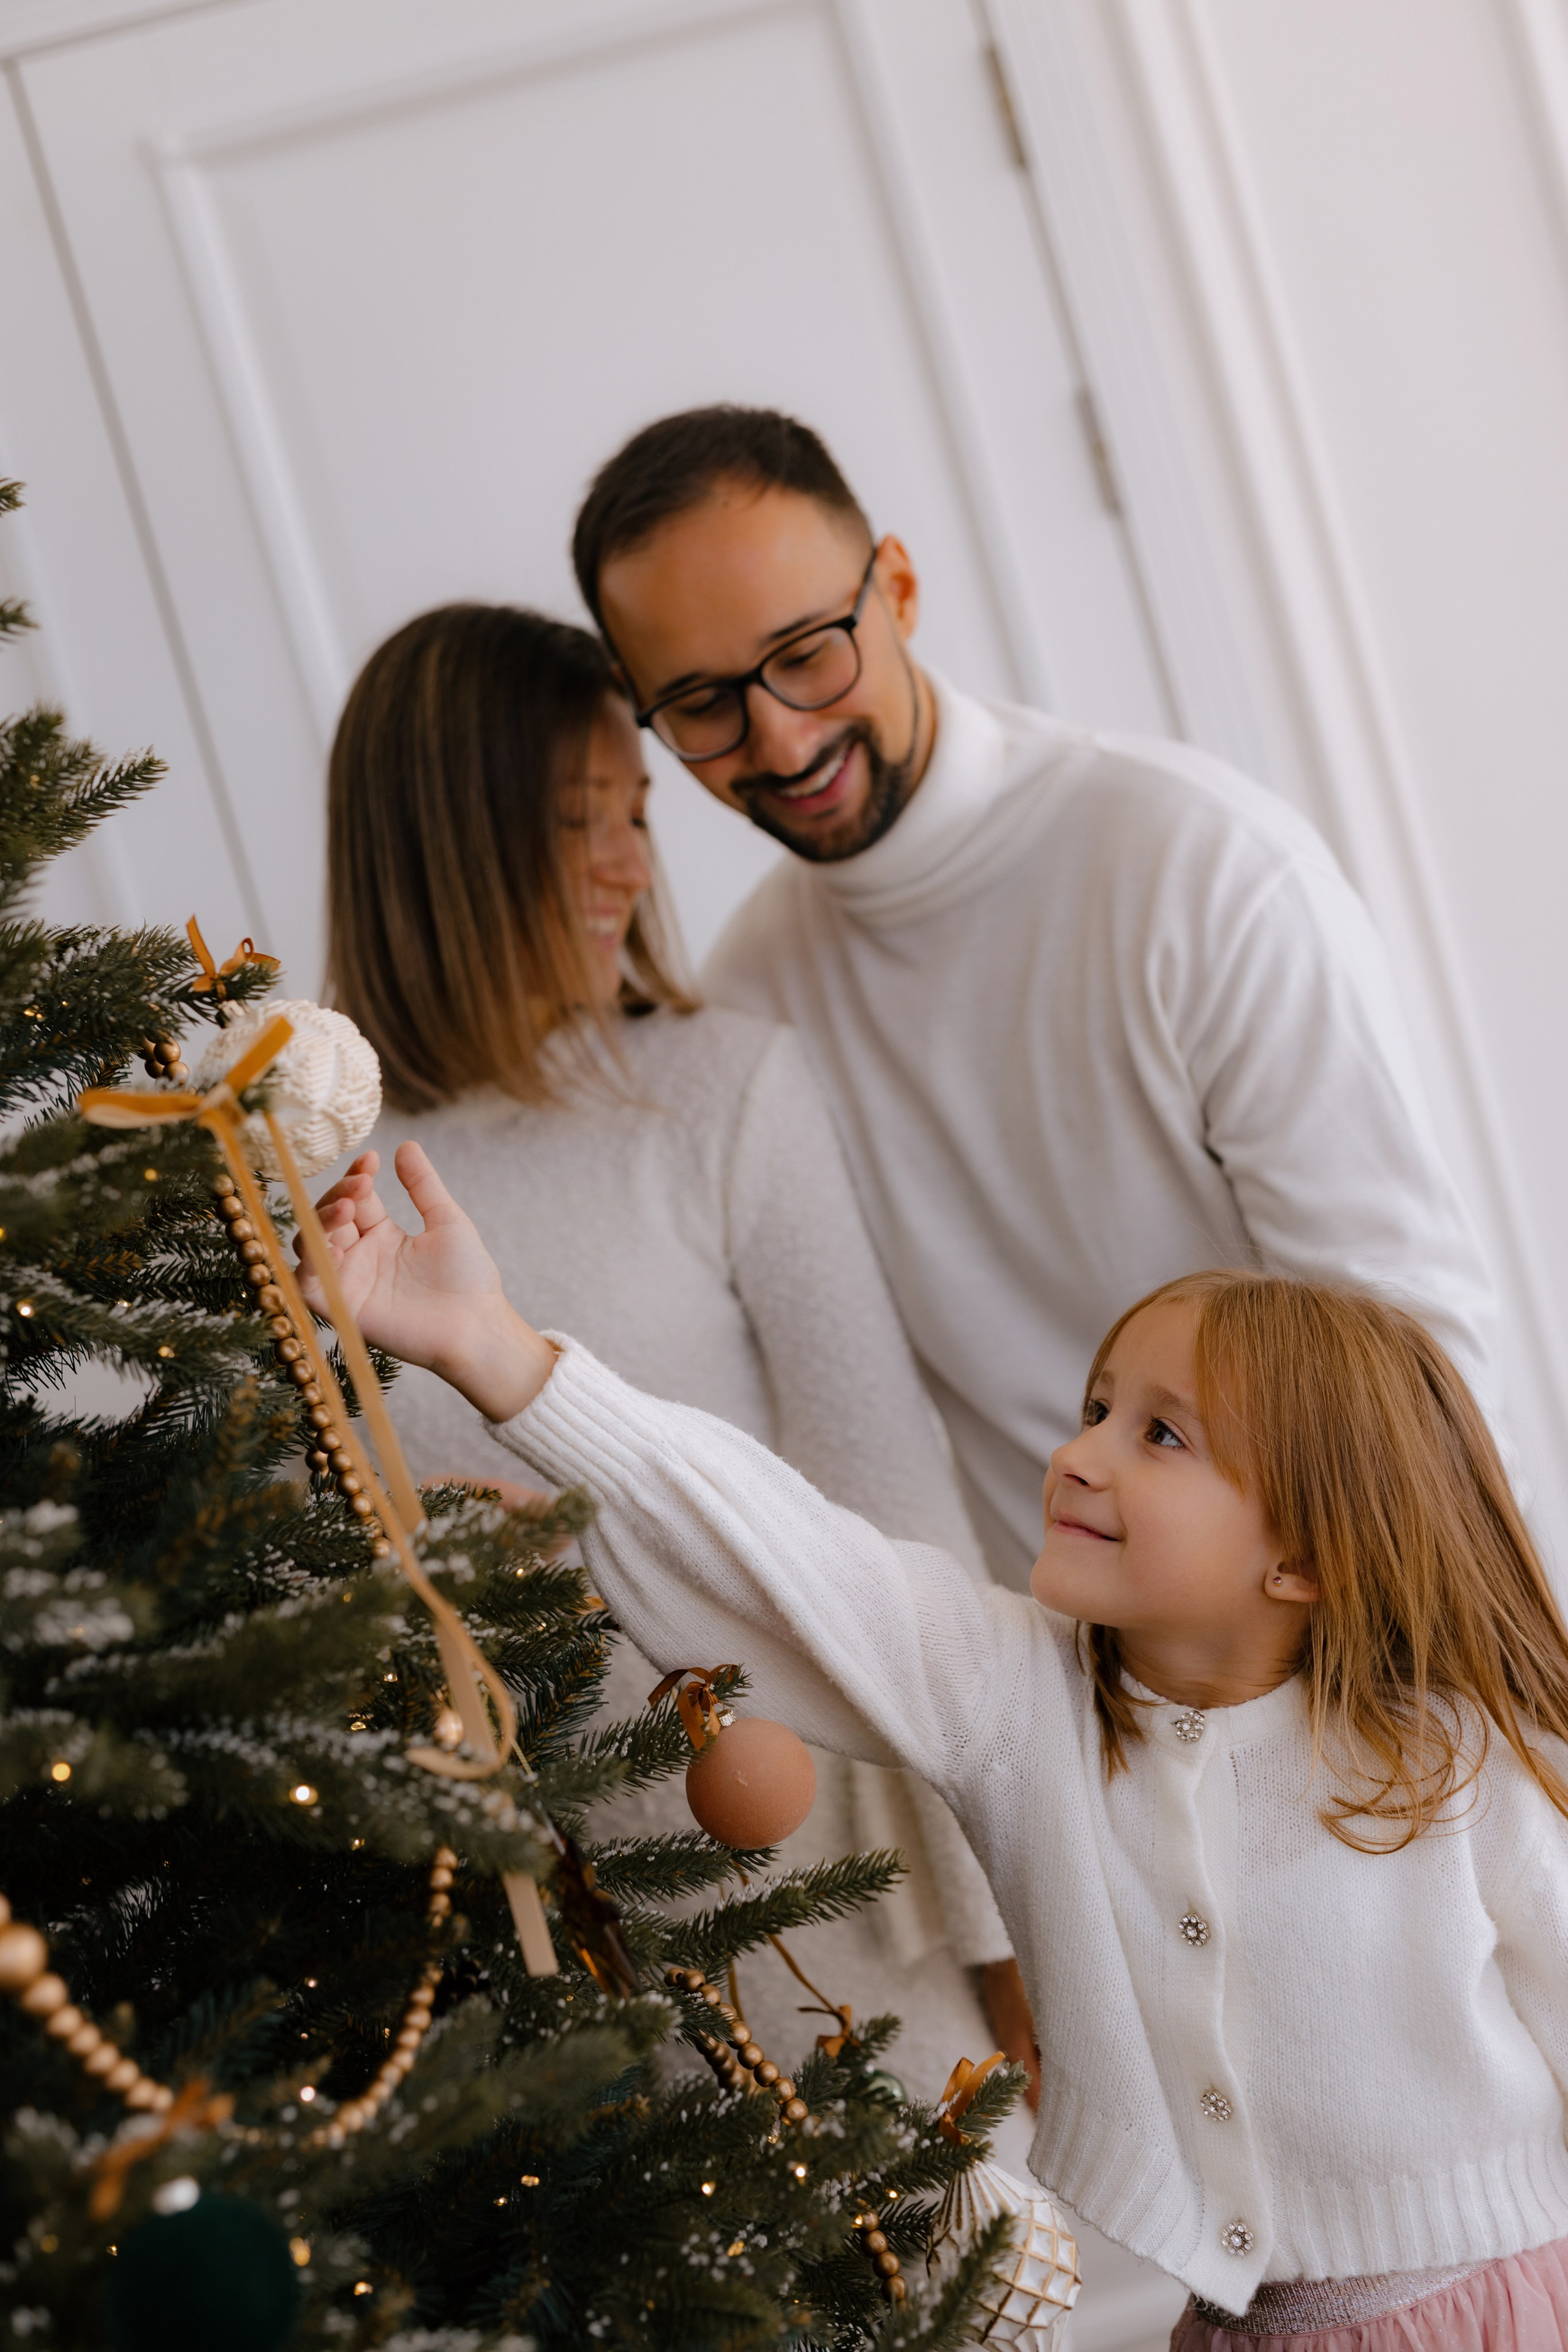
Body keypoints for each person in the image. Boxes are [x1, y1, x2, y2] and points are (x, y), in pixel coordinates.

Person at [300, 1154, 1568, 2349]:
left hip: (1500, 2303)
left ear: (1299, 1554)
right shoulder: (1016, 1695)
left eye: (1159, 1435)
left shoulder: (1452, 1756)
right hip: (1233, 2324)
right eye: (1097, 1408)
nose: (1079, 1454)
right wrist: (494, 1350)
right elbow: (791, 1559)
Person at [568, 405, 1502, 1593]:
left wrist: (1435, 1720)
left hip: (1359, 1664)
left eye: (806, 652)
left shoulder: (1196, 865)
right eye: (702, 705)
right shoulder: (750, 1002)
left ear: (895, 589)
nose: (782, 737)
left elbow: (1413, 1353)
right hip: (1061, 1722)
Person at [323, 601, 1019, 2111]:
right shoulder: (311, 1176)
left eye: (634, 812)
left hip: (817, 1929)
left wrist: (994, 1916)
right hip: (496, 1978)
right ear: (444, 841)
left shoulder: (725, 1093)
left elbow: (892, 1528)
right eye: (579, 822)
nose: (634, 866)